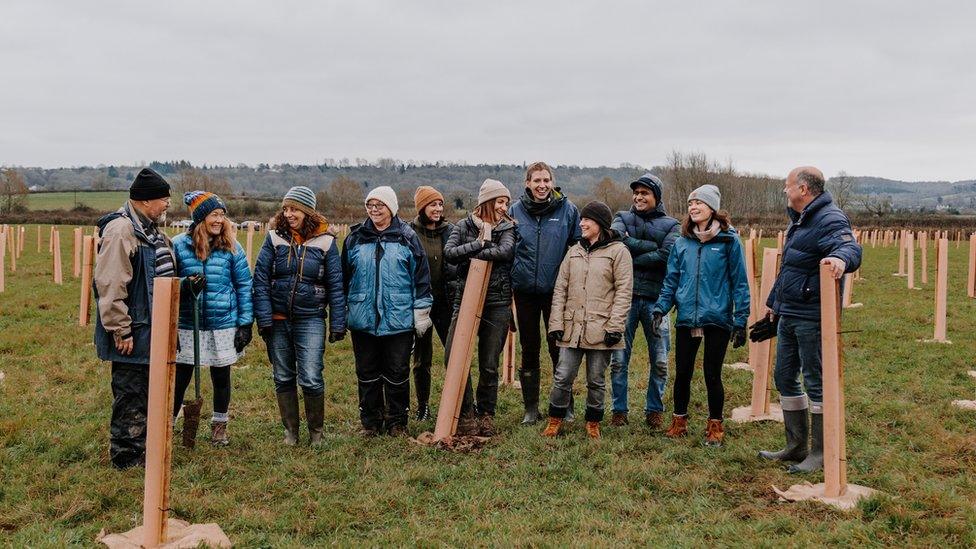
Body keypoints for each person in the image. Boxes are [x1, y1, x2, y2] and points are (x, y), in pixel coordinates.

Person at [758, 167, 861, 472]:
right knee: (784, 376)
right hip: (790, 313)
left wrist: (840, 259)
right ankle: (795, 445)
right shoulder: (799, 222)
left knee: (816, 381)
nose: (785, 192)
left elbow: (849, 247)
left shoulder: (829, 218)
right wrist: (774, 305)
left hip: (813, 316)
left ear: (803, 189)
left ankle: (820, 451)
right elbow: (790, 269)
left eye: (787, 186)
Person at [94, 168, 186, 469]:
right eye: (164, 199)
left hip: (157, 329)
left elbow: (160, 275)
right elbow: (111, 283)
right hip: (136, 330)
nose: (168, 204)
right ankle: (126, 456)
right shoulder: (122, 230)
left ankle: (147, 448)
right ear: (146, 201)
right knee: (131, 393)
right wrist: (121, 329)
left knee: (151, 391)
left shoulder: (151, 230)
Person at [653, 185, 750, 447]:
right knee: (682, 372)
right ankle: (679, 422)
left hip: (717, 317)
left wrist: (741, 320)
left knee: (712, 374)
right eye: (690, 203)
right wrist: (661, 307)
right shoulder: (682, 243)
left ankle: (715, 426)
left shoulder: (729, 242)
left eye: (699, 203)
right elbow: (671, 281)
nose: (693, 207)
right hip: (686, 317)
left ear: (712, 209)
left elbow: (739, 282)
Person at [253, 186, 346, 447]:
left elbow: (336, 284)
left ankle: (316, 432)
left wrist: (338, 322)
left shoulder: (326, 241)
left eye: (294, 209)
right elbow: (260, 279)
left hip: (311, 317)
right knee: (282, 375)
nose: (289, 213)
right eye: (286, 209)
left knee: (311, 376)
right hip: (278, 317)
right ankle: (291, 432)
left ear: (307, 211)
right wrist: (264, 318)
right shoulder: (274, 238)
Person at [343, 186, 433, 437]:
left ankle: (397, 421)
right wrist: (342, 311)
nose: (373, 210)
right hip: (363, 318)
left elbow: (421, 277)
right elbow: (344, 277)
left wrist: (421, 312)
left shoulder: (407, 237)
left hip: (399, 318)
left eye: (379, 205)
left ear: (391, 208)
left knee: (397, 372)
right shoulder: (355, 238)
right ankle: (371, 422)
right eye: (369, 205)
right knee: (367, 372)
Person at [542, 201, 632, 439]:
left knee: (596, 379)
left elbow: (624, 291)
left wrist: (615, 327)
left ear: (600, 223)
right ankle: (555, 419)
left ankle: (593, 422)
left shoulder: (618, 252)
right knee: (563, 376)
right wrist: (556, 324)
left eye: (587, 220)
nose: (581, 223)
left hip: (601, 328)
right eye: (581, 219)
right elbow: (560, 288)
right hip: (572, 327)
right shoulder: (574, 251)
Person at [170, 191, 254, 446]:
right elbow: (167, 283)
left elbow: (243, 286)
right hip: (188, 322)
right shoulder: (178, 245)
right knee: (181, 376)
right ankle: (168, 423)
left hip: (222, 322)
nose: (219, 220)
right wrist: (186, 285)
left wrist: (245, 323)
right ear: (200, 218)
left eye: (221, 215)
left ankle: (219, 425)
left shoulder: (232, 247)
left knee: (221, 376)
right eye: (213, 215)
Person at [443, 179, 517, 437]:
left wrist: (476, 252)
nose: (504, 206)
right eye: (500, 201)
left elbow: (505, 252)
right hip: (463, 300)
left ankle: (486, 413)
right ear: (486, 202)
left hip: (497, 301)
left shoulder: (508, 227)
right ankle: (466, 413)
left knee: (488, 363)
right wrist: (480, 243)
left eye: (506, 201)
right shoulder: (462, 226)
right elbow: (450, 253)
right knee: (453, 356)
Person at [509, 162, 581, 424]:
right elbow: (507, 249)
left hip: (556, 291)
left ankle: (564, 405)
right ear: (527, 183)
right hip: (524, 290)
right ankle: (530, 409)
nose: (542, 185)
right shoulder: (514, 211)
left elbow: (577, 248)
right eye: (536, 180)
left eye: (546, 180)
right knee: (529, 347)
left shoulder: (568, 210)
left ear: (553, 183)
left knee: (558, 348)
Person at [608, 173, 680, 428]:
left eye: (644, 193)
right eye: (636, 193)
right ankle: (619, 410)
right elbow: (615, 244)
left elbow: (666, 255)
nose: (639, 197)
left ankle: (654, 410)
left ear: (656, 197)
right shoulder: (621, 218)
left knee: (660, 360)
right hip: (623, 299)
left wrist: (630, 247)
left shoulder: (673, 225)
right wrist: (648, 247)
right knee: (618, 360)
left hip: (656, 301)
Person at [409, 186, 457, 421]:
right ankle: (423, 406)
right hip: (421, 304)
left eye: (440, 204)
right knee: (422, 358)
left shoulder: (451, 232)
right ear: (422, 208)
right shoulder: (409, 234)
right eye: (432, 205)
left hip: (446, 303)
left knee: (454, 355)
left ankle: (458, 403)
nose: (438, 209)